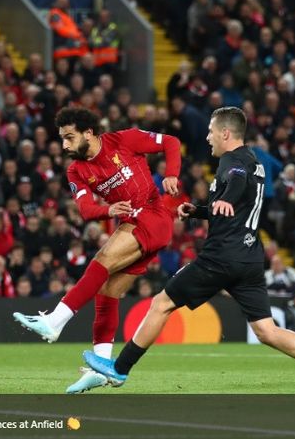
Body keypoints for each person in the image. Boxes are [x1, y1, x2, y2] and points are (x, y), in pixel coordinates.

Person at [86, 107, 295, 387]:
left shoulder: (231, 160)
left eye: (211, 131)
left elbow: (236, 181)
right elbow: (235, 202)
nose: (208, 137)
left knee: (161, 303)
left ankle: (120, 368)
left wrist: (228, 199)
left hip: (221, 256)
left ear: (225, 133)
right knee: (267, 331)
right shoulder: (253, 160)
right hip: (249, 259)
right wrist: (198, 211)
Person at [13, 107, 181, 393]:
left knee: (101, 260)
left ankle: (55, 321)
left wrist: (172, 175)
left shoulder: (124, 140)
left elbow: (171, 142)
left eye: (69, 138)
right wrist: (108, 210)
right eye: (62, 139)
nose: (64, 145)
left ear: (88, 133)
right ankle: (102, 369)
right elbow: (84, 208)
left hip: (153, 215)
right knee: (107, 292)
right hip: (134, 222)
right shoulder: (76, 170)